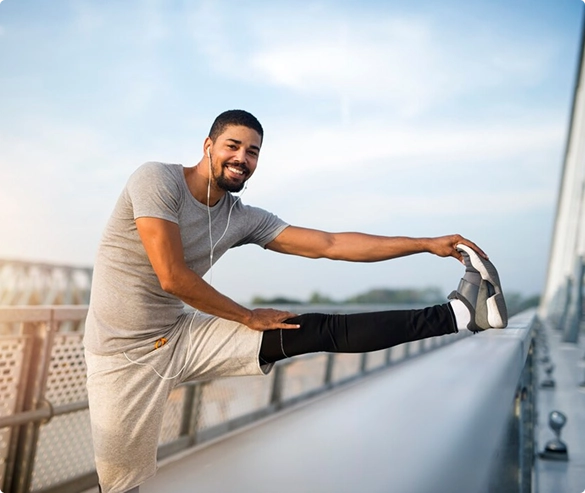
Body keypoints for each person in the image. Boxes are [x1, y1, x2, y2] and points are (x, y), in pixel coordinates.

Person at [84, 109, 507, 493]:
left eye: (253, 152)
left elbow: (329, 243)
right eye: (233, 146)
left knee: (313, 329)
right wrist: (247, 316)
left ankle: (459, 314)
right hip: (120, 356)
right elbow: (173, 276)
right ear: (208, 146)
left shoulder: (242, 217)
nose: (242, 158)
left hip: (179, 334)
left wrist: (425, 244)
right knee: (120, 489)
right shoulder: (156, 180)